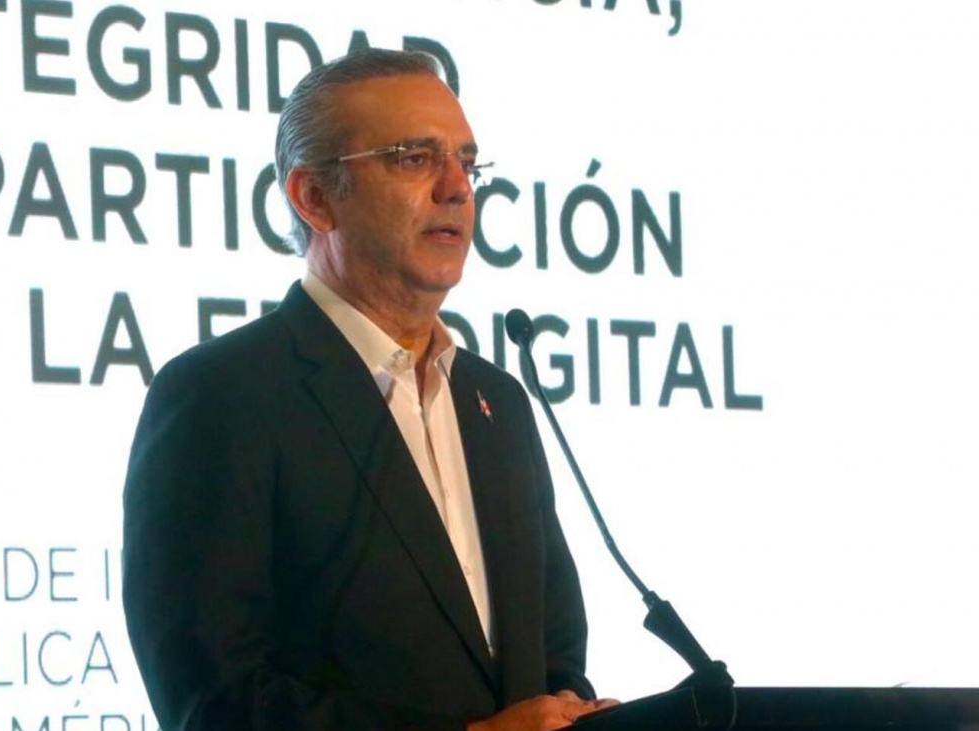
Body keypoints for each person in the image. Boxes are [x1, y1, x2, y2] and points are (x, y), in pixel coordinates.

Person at [122, 49, 614, 731]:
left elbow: (556, 654)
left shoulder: (497, 402)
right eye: (414, 158)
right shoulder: (221, 395)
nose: (457, 188)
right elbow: (214, 700)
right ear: (315, 197)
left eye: (467, 163)